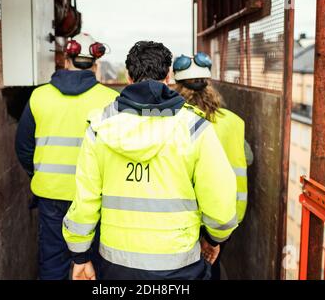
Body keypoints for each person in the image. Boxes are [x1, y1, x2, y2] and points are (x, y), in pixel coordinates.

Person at [62, 41, 238, 280]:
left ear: (129, 76)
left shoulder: (99, 127)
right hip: (179, 264)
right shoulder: (195, 128)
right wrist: (214, 238)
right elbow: (220, 198)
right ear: (168, 76)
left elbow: (85, 200)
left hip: (117, 263)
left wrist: (80, 256)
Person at [15, 32, 119, 280]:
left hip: (51, 198)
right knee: (92, 264)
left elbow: (23, 147)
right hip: (95, 198)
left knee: (53, 263)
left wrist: (40, 173)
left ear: (65, 58)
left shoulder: (39, 96)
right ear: (95, 63)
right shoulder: (111, 100)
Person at [172, 52, 253, 279]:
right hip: (223, 214)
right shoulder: (232, 122)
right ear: (209, 86)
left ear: (177, 86)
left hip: (183, 215)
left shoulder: (172, 119)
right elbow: (248, 158)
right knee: (212, 266)